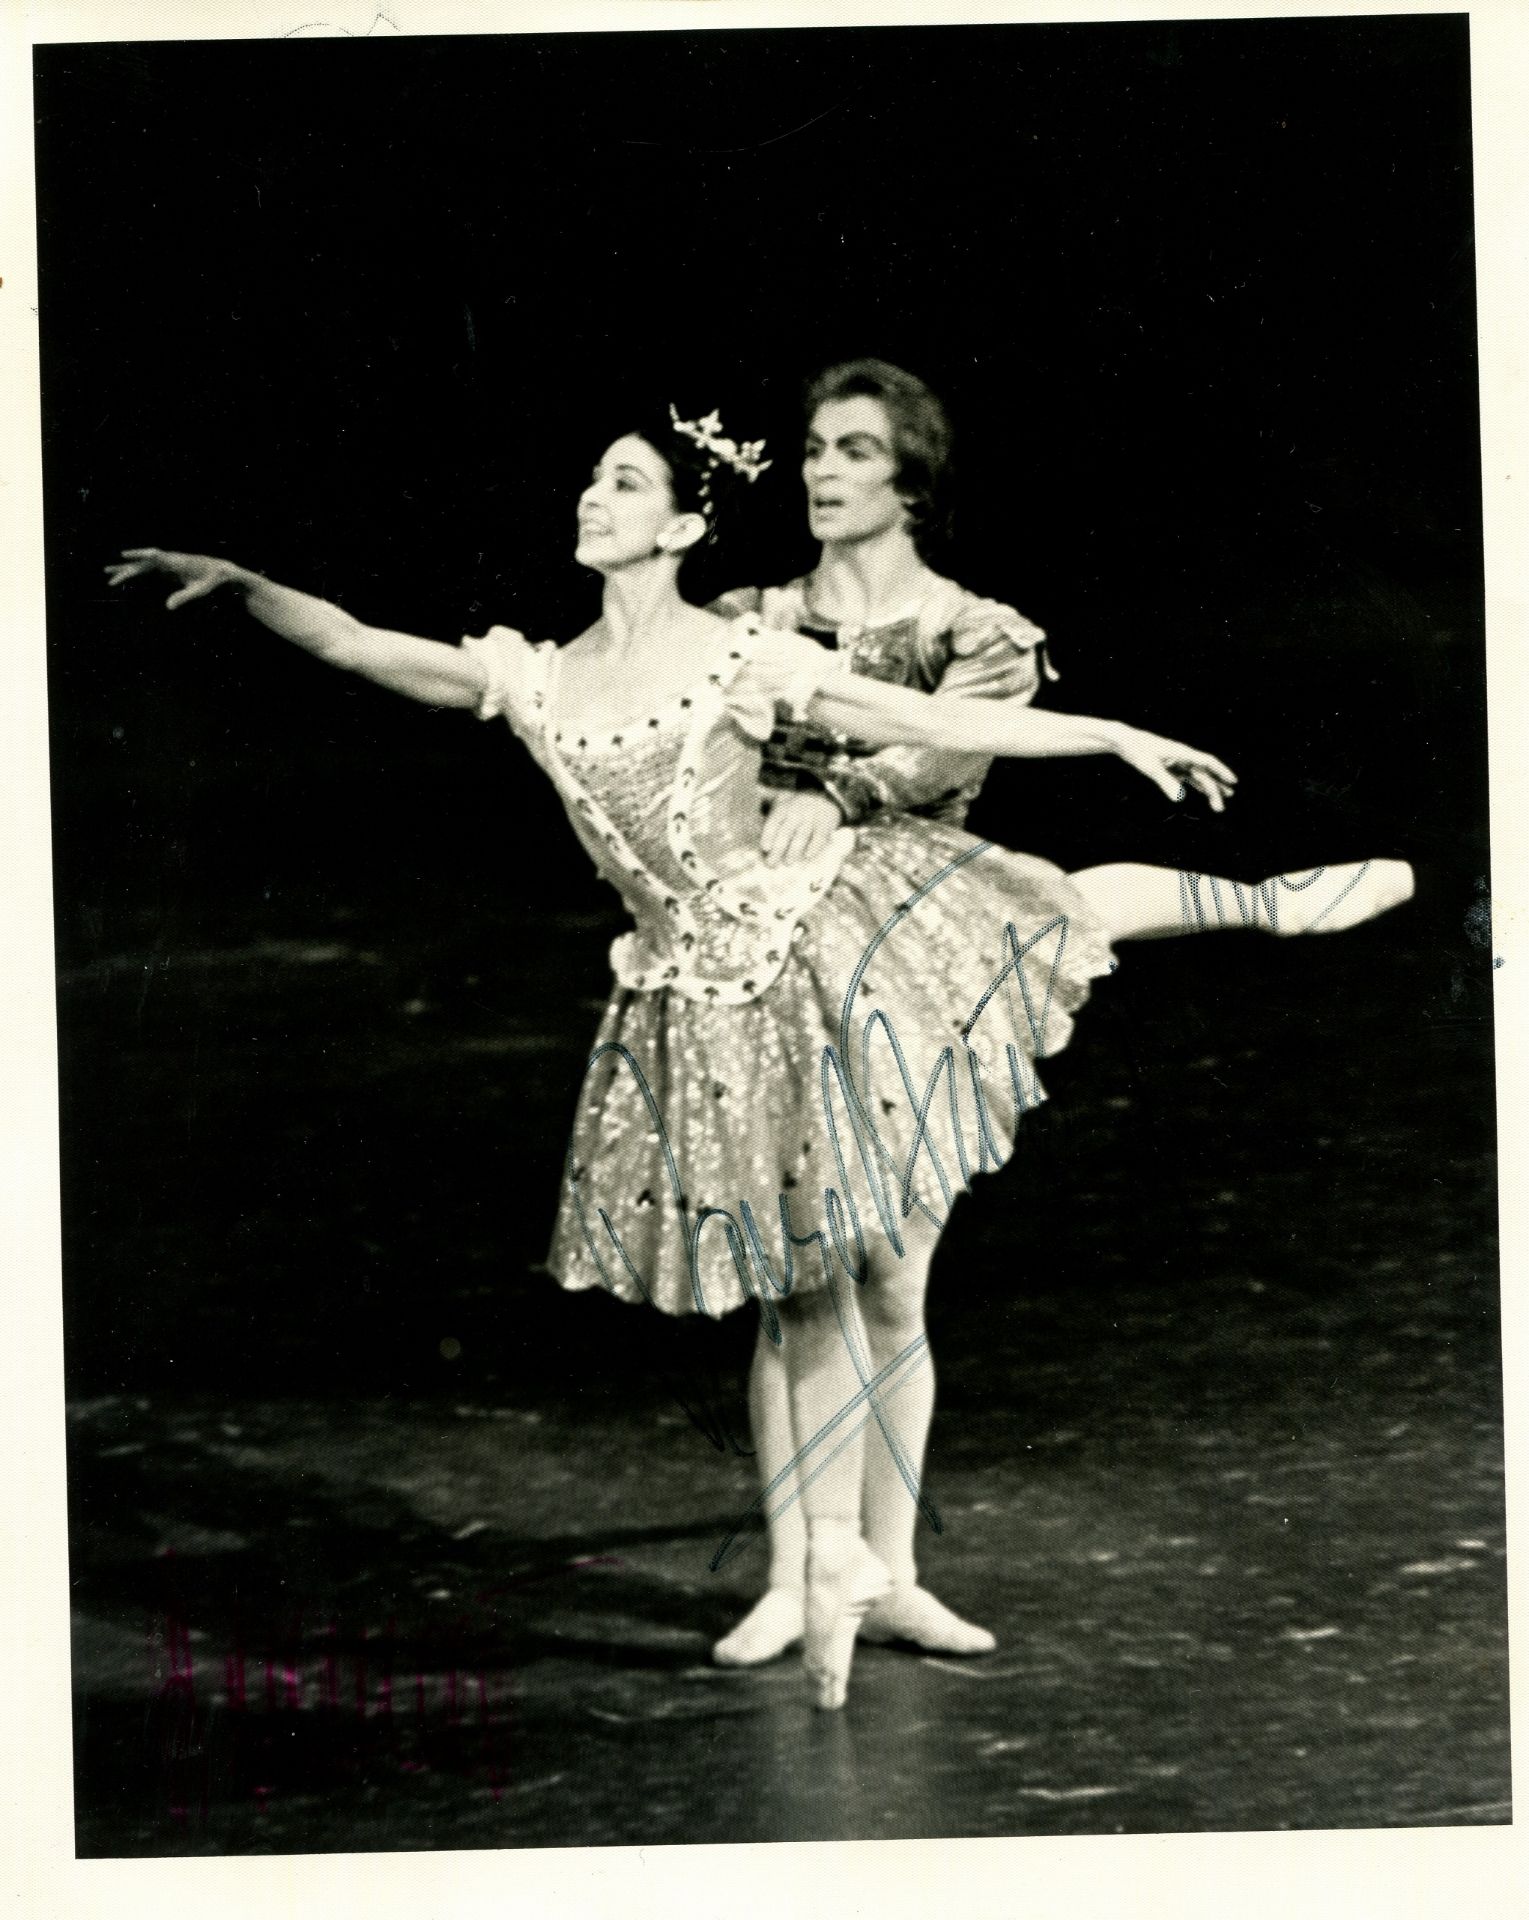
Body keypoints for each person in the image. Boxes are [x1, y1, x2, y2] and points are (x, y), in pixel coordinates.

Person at [106, 402, 1413, 1710]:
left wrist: (1115, 735)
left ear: (677, 525)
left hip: (820, 939)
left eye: (623, 482)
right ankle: (811, 1573)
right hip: (699, 994)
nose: (591, 498)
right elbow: (351, 643)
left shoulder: (741, 653)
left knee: (1028, 929)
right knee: (800, 1291)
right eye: (589, 478)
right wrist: (246, 586)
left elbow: (921, 714)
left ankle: (1262, 900)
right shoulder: (538, 675)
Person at [711, 358, 1061, 1669]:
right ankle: (801, 1577)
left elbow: (939, 755)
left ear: (908, 474)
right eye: (811, 447)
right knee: (796, 1273)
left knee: (895, 1274)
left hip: (919, 958)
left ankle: (891, 1571)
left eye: (852, 449)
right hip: (776, 954)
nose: (820, 469)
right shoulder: (747, 617)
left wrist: (832, 796)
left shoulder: (979, 633)